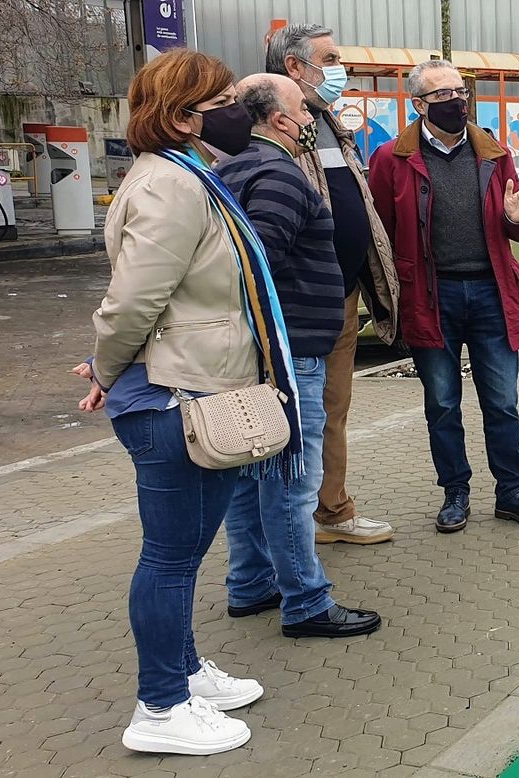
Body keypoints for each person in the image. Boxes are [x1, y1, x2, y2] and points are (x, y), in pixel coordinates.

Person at [80, 48, 266, 756]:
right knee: (169, 557)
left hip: (189, 386)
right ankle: (160, 707)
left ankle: (185, 673)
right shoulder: (170, 184)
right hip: (173, 397)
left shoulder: (186, 174)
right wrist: (107, 367)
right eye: (223, 101)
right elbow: (134, 300)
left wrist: (110, 365)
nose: (238, 111)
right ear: (184, 116)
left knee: (181, 553)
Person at [215, 74, 381, 639]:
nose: (312, 119)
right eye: (304, 111)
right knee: (291, 478)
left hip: (261, 350)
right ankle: (306, 602)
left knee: (250, 472)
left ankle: (250, 583)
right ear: (280, 119)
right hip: (290, 352)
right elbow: (256, 260)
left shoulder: (231, 169)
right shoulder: (278, 173)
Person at [366, 59, 519, 533]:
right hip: (431, 298)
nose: (456, 101)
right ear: (419, 105)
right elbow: (381, 233)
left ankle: (512, 492)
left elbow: (516, 226)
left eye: (460, 92)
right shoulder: (391, 159)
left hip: (492, 293)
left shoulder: (494, 153)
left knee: (503, 402)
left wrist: (516, 217)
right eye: (443, 95)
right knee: (443, 404)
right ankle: (455, 492)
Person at [266, 22, 401, 545]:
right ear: (294, 67)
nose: (340, 70)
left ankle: (332, 512)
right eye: (330, 59)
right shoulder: (272, 131)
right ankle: (292, 529)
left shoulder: (327, 124)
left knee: (332, 411)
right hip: (299, 307)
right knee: (297, 417)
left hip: (342, 297)